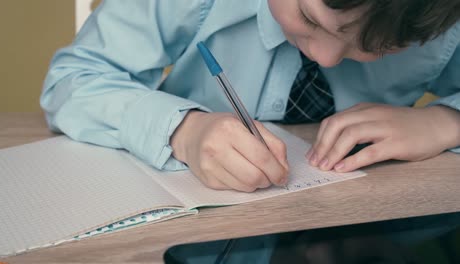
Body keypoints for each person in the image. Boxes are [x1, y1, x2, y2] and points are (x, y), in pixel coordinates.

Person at [41, 0, 460, 262]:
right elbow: (71, 79)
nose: (327, 57)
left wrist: (444, 121)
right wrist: (183, 130)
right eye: (310, 19)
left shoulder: (442, 15)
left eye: (379, 48)